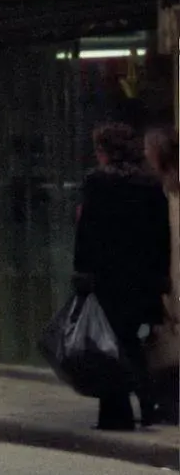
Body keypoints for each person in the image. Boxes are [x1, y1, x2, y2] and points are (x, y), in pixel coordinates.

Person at [73, 122, 171, 431]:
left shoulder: (97, 183)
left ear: (104, 152)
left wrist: (82, 272)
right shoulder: (150, 185)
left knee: (109, 345)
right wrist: (161, 276)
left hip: (108, 277)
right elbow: (161, 235)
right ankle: (146, 401)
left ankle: (117, 412)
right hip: (141, 277)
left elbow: (86, 232)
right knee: (131, 341)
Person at [143, 125, 179, 426]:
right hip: (170, 277)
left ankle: (170, 404)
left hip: (171, 277)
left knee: (166, 344)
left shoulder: (163, 193)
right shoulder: (162, 191)